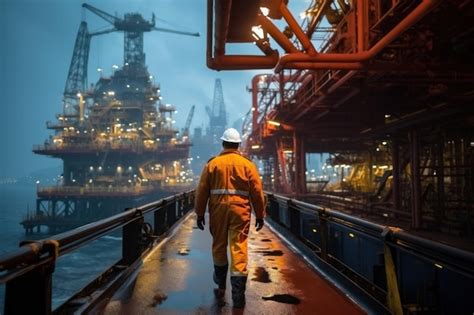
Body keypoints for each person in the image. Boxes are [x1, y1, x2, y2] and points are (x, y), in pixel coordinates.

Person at [195, 128, 266, 308]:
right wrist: (260, 214)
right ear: (238, 144)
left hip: (218, 211)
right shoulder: (248, 165)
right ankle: (238, 293)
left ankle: (220, 284)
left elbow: (202, 191)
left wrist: (200, 213)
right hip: (240, 211)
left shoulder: (212, 164)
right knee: (239, 247)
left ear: (223, 143)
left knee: (219, 245)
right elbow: (257, 193)